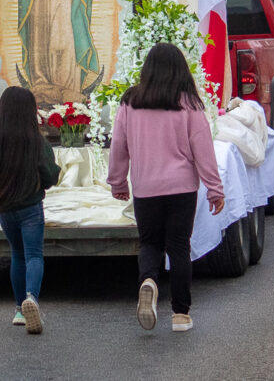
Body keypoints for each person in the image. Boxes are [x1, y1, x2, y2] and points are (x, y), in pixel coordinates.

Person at [107, 43, 225, 333]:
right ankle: (181, 314)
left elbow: (118, 146)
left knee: (149, 243)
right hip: (181, 187)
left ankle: (148, 280)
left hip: (146, 187)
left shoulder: (130, 102)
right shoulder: (189, 104)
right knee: (178, 247)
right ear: (180, 69)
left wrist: (118, 181)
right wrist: (214, 188)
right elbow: (203, 150)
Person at [0, 86, 61, 334]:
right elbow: (50, 174)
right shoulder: (35, 140)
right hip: (30, 207)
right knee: (34, 254)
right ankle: (31, 298)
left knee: (17, 255)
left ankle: (19, 310)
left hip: (5, 208)